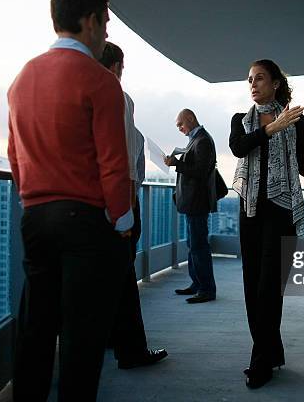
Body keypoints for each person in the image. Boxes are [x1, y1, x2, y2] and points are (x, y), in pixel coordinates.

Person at [7, 0, 134, 400]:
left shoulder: (23, 76)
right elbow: (113, 164)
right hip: (85, 223)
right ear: (91, 21)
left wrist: (31, 200)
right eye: (107, 21)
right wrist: (124, 221)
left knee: (37, 328)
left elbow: (15, 156)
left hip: (36, 216)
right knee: (83, 337)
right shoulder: (100, 81)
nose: (108, 31)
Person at [230, 59, 304, 389]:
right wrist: (271, 128)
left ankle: (259, 362)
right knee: (252, 289)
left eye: (259, 78)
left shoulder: (295, 120)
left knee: (269, 291)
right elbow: (238, 147)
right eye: (250, 79)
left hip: (280, 214)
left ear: (275, 83)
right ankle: (271, 352)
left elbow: (302, 166)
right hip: (249, 214)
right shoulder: (241, 120)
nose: (253, 84)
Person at [98, 41, 168, 368]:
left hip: (90, 204)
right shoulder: (118, 97)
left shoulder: (84, 93)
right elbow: (125, 162)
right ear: (116, 67)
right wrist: (125, 213)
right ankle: (131, 350)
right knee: (124, 279)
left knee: (107, 278)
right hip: (118, 204)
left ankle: (112, 339)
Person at [164, 109, 217, 304]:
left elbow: (200, 172)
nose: (179, 128)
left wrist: (176, 163)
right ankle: (197, 284)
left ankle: (206, 289)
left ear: (191, 119)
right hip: (193, 202)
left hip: (197, 202)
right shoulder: (197, 139)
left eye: (180, 124)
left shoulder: (202, 140)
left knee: (199, 246)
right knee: (193, 246)